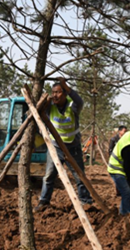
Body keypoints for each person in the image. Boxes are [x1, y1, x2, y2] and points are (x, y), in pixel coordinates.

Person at [35, 77, 92, 211]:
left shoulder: (73, 106)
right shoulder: (50, 106)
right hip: (55, 147)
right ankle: (44, 201)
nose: (55, 95)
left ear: (65, 94)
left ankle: (85, 201)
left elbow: (79, 100)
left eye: (59, 92)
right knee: (49, 175)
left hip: (73, 147)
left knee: (79, 175)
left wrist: (65, 85)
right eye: (53, 92)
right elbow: (38, 109)